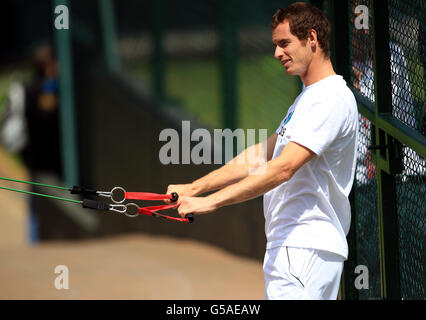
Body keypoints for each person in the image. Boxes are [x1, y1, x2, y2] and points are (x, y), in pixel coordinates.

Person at [166, 2, 358, 300]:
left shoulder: (328, 99)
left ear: (312, 38)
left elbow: (283, 167)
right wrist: (194, 188)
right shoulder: (310, 98)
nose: (277, 53)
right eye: (275, 45)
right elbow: (261, 155)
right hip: (298, 248)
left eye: (284, 43)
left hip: (302, 247)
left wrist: (211, 202)